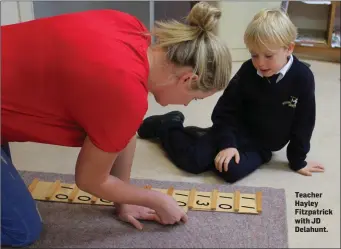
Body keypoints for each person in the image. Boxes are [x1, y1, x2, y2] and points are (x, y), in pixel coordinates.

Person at [1, 2, 233, 247]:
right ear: (188, 79)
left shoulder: (131, 27)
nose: (187, 106)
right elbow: (90, 179)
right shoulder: (125, 93)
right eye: (195, 99)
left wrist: (124, 199)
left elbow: (123, 131)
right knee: (22, 231)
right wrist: (156, 200)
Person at [137, 8, 325, 184]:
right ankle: (169, 125)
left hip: (261, 146)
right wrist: (227, 143)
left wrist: (298, 160)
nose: (260, 63)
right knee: (193, 161)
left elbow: (304, 122)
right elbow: (225, 111)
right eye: (254, 55)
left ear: (289, 49)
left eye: (268, 56)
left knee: (230, 171)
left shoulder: (303, 78)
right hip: (234, 132)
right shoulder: (247, 71)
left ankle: (198, 136)